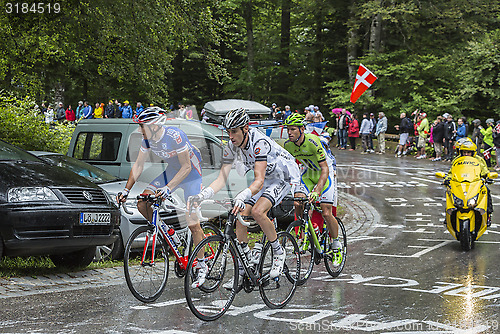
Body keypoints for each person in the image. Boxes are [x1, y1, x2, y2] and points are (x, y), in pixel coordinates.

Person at [189, 108, 300, 285]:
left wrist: (243, 194)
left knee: (257, 211)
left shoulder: (259, 143)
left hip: (282, 177)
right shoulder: (231, 147)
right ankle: (244, 268)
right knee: (240, 217)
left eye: (234, 131)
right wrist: (202, 195)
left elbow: (259, 181)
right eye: (228, 131)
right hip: (264, 180)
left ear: (245, 129)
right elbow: (221, 179)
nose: (230, 136)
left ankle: (278, 252)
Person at [116, 107, 207, 287]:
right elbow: (138, 166)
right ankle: (170, 234)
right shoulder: (147, 140)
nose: (140, 130)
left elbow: (186, 167)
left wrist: (167, 188)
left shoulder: (175, 136)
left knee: (193, 223)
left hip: (191, 174)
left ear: (155, 126)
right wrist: (126, 191)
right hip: (172, 171)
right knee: (143, 203)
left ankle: (202, 264)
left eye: (143, 126)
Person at [282, 113, 343, 263]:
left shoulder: (313, 142)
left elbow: (325, 169)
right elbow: (290, 168)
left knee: (326, 211)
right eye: (288, 129)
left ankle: (336, 246)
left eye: (293, 129)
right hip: (308, 174)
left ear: (302, 129)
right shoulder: (288, 146)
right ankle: (303, 233)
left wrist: (317, 190)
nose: (289, 132)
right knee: (298, 202)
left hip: (324, 173)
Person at [446, 138, 493, 226]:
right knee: (449, 192)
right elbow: (451, 172)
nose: (466, 154)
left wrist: (487, 177)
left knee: (486, 191)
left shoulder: (479, 160)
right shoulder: (457, 160)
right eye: (464, 152)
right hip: (460, 184)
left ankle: (488, 214)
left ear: (473, 152)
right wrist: (447, 179)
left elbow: (485, 171)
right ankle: (449, 216)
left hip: (475, 184)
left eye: (469, 152)